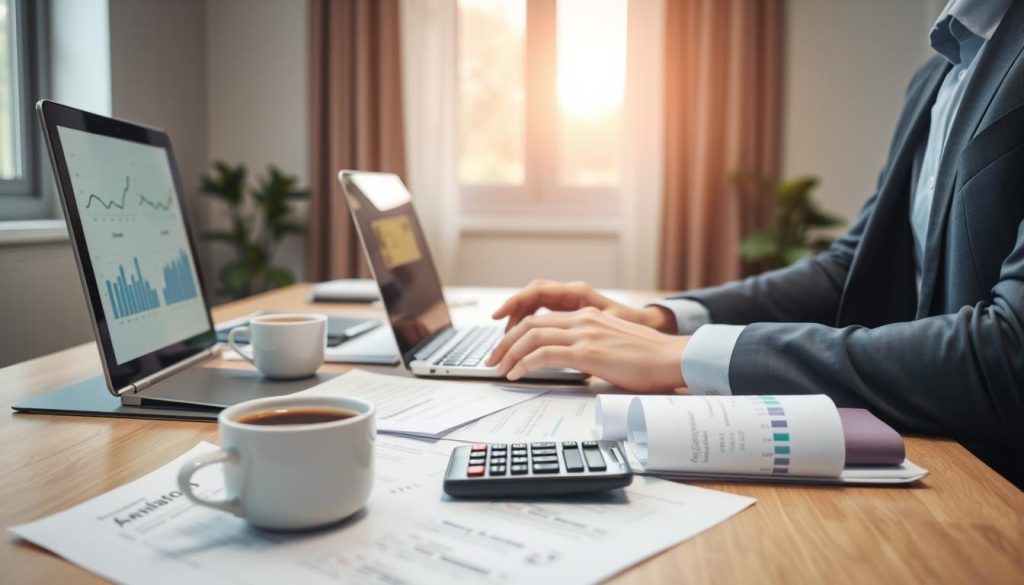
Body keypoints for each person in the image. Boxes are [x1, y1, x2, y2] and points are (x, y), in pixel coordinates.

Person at [485, 0, 1024, 488]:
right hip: (939, 458)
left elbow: (1009, 352)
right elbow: (850, 267)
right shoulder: (937, 75)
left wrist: (686, 354)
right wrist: (660, 320)